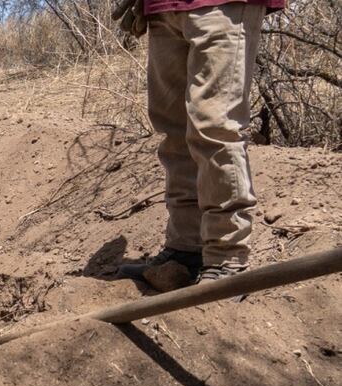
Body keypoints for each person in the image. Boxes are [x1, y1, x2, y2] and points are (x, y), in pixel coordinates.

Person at [115, 0, 284, 286]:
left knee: (214, 126)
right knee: (174, 130)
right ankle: (186, 248)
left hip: (221, 4)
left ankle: (226, 257)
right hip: (162, 8)